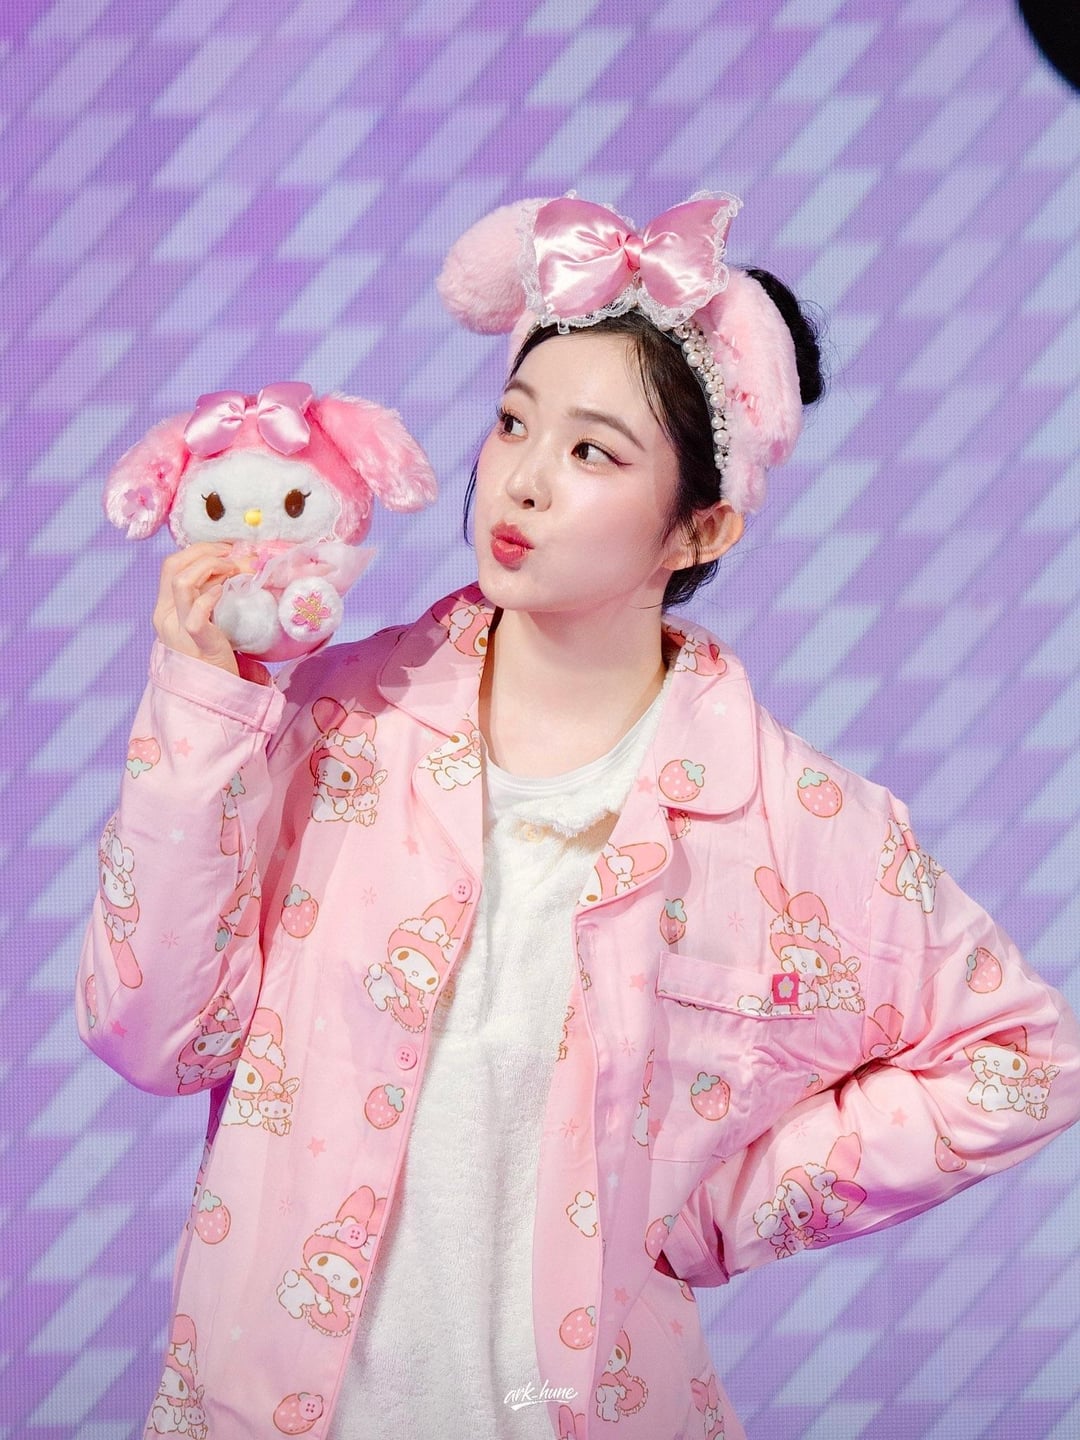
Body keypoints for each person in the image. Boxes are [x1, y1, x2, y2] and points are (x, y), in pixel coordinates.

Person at [77, 194, 1080, 1440]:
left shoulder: (788, 818)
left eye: (594, 452)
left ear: (703, 527)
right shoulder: (336, 720)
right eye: (514, 422)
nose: (524, 479)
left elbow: (1022, 1059)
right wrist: (201, 713)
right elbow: (155, 1039)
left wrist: (719, 1210)